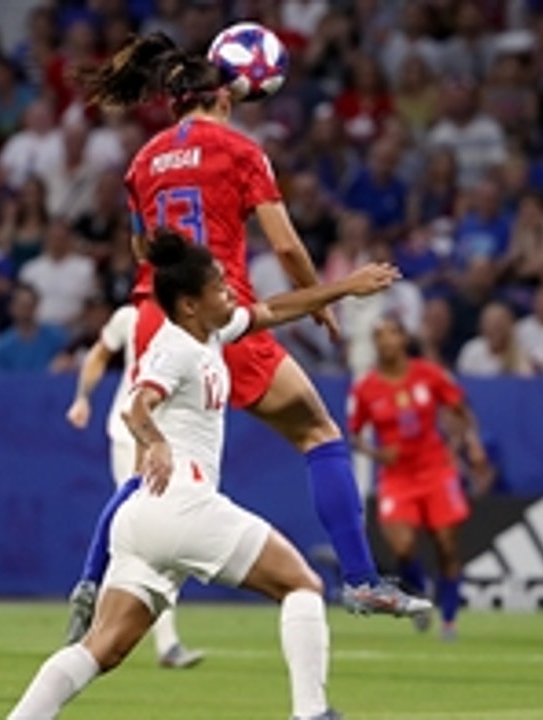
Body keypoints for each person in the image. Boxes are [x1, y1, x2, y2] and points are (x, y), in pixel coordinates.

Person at [63, 33, 428, 635]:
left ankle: (89, 579)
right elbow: (284, 243)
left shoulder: (142, 161)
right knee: (318, 432)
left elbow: (137, 248)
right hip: (221, 316)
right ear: (228, 99)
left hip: (159, 316)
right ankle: (363, 580)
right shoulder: (238, 149)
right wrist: (320, 301)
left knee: (152, 459)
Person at [7, 230, 398, 720]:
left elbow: (275, 309)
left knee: (101, 648)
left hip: (142, 519)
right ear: (189, 304)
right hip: (182, 503)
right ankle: (312, 713)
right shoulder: (175, 348)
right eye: (218, 287)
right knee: (302, 585)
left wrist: (344, 287)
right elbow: (136, 405)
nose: (230, 291)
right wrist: (157, 441)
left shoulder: (211, 333)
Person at [63, 303, 205, 668]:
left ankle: (94, 595)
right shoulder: (132, 316)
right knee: (148, 526)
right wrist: (82, 397)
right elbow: (99, 353)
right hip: (135, 434)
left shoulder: (194, 315)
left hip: (174, 436)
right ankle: (103, 600)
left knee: (153, 530)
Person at [348, 316, 487, 640]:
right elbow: (354, 435)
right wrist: (378, 455)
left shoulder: (428, 374)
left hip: (435, 469)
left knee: (446, 545)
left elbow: (461, 410)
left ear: (403, 338)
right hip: (396, 476)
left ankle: (449, 621)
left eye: (391, 334)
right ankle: (421, 594)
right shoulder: (366, 388)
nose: (385, 342)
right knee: (403, 545)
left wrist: (472, 445)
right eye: (378, 336)